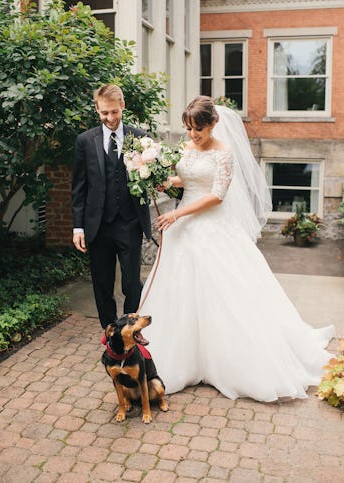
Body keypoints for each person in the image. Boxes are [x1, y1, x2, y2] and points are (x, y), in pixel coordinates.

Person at [140, 96, 335, 402]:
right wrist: (162, 181)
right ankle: (183, 357)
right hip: (184, 228)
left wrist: (177, 213)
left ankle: (226, 360)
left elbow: (216, 195)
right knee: (179, 290)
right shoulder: (188, 147)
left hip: (212, 226)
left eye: (198, 129)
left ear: (213, 124)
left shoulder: (224, 153)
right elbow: (187, 179)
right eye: (189, 128)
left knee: (225, 292)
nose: (192, 135)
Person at [71, 84, 151, 328]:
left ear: (122, 106)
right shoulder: (85, 141)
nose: (110, 118)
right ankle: (109, 331)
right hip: (98, 225)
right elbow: (79, 187)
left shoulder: (140, 139)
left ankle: (129, 329)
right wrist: (78, 228)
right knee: (102, 283)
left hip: (129, 222)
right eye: (105, 113)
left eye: (114, 112)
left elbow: (151, 179)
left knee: (130, 283)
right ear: (97, 110)